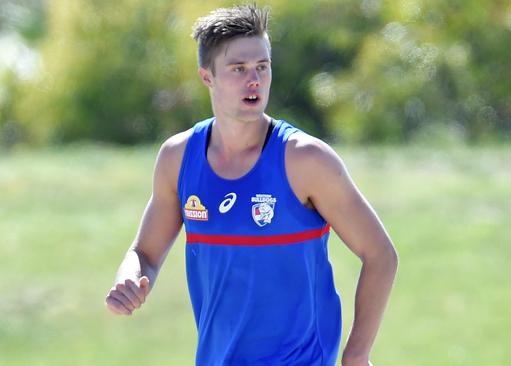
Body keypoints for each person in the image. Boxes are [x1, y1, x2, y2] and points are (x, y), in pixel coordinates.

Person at [105, 4, 397, 366]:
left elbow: (381, 254)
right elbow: (145, 254)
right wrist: (128, 278)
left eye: (262, 66)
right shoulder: (178, 159)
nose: (254, 80)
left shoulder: (305, 160)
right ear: (207, 77)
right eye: (238, 69)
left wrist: (356, 354)